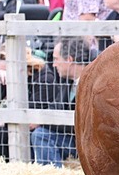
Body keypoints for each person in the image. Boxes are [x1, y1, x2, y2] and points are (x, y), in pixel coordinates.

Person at [30, 38, 92, 166]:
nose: (53, 64)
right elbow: (55, 107)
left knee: (41, 135)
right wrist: (39, 118)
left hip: (88, 145)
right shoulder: (67, 81)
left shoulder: (92, 84)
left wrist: (42, 121)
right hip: (70, 140)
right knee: (39, 134)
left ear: (69, 60)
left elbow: (80, 123)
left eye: (56, 59)